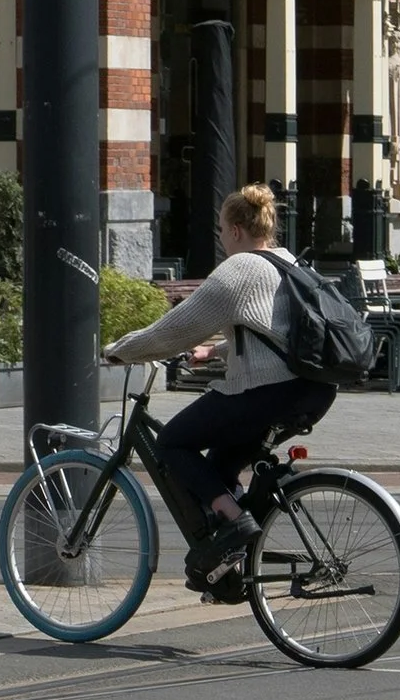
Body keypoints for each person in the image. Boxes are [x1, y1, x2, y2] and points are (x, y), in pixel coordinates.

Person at [104, 184, 336, 585]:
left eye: (219, 231)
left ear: (234, 230)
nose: (221, 241)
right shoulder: (286, 261)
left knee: (173, 443)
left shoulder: (240, 268)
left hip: (268, 393)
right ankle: (231, 563)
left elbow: (175, 329)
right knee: (219, 467)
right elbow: (278, 334)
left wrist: (120, 350)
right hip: (313, 389)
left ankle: (236, 524)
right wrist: (215, 353)